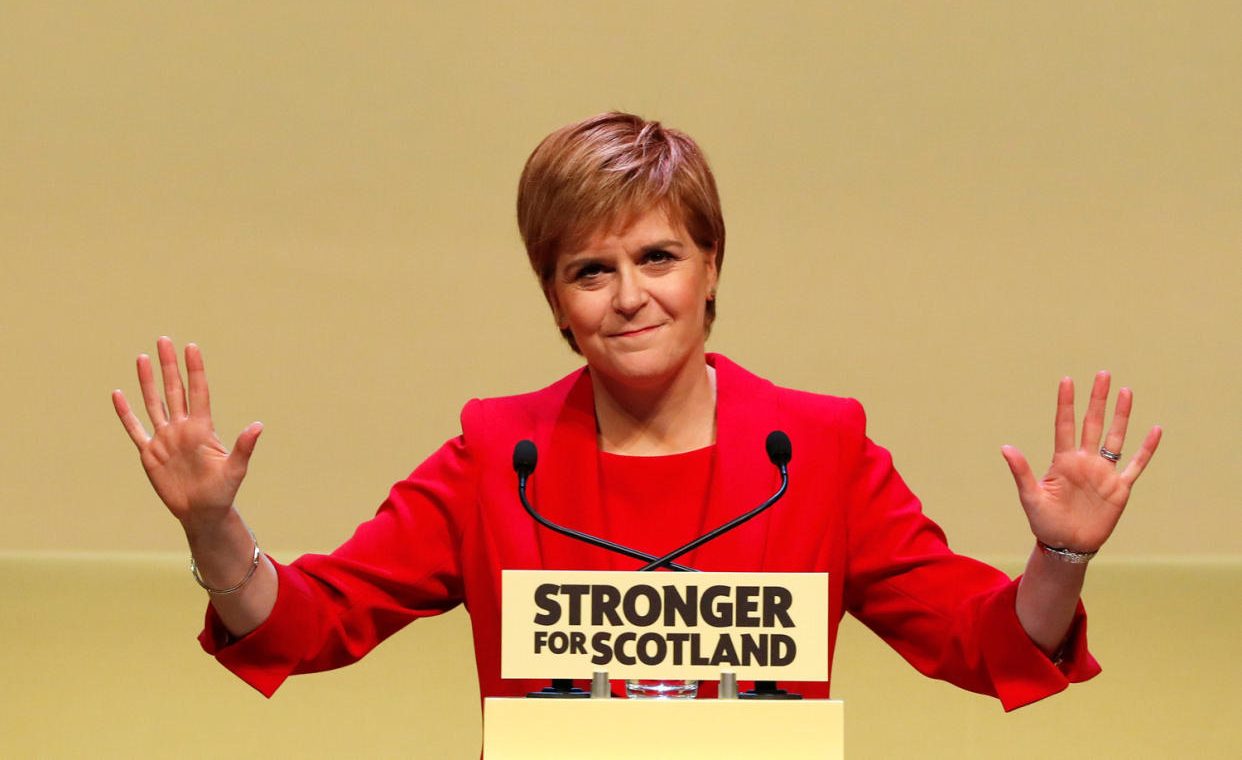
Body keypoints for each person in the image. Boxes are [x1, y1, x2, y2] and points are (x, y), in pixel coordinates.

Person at [112, 111, 1161, 711]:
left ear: (711, 268)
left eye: (659, 256)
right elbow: (307, 624)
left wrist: (1059, 561)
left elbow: (981, 645)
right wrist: (212, 524)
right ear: (556, 300)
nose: (630, 295)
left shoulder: (820, 447)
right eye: (589, 269)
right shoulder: (497, 453)